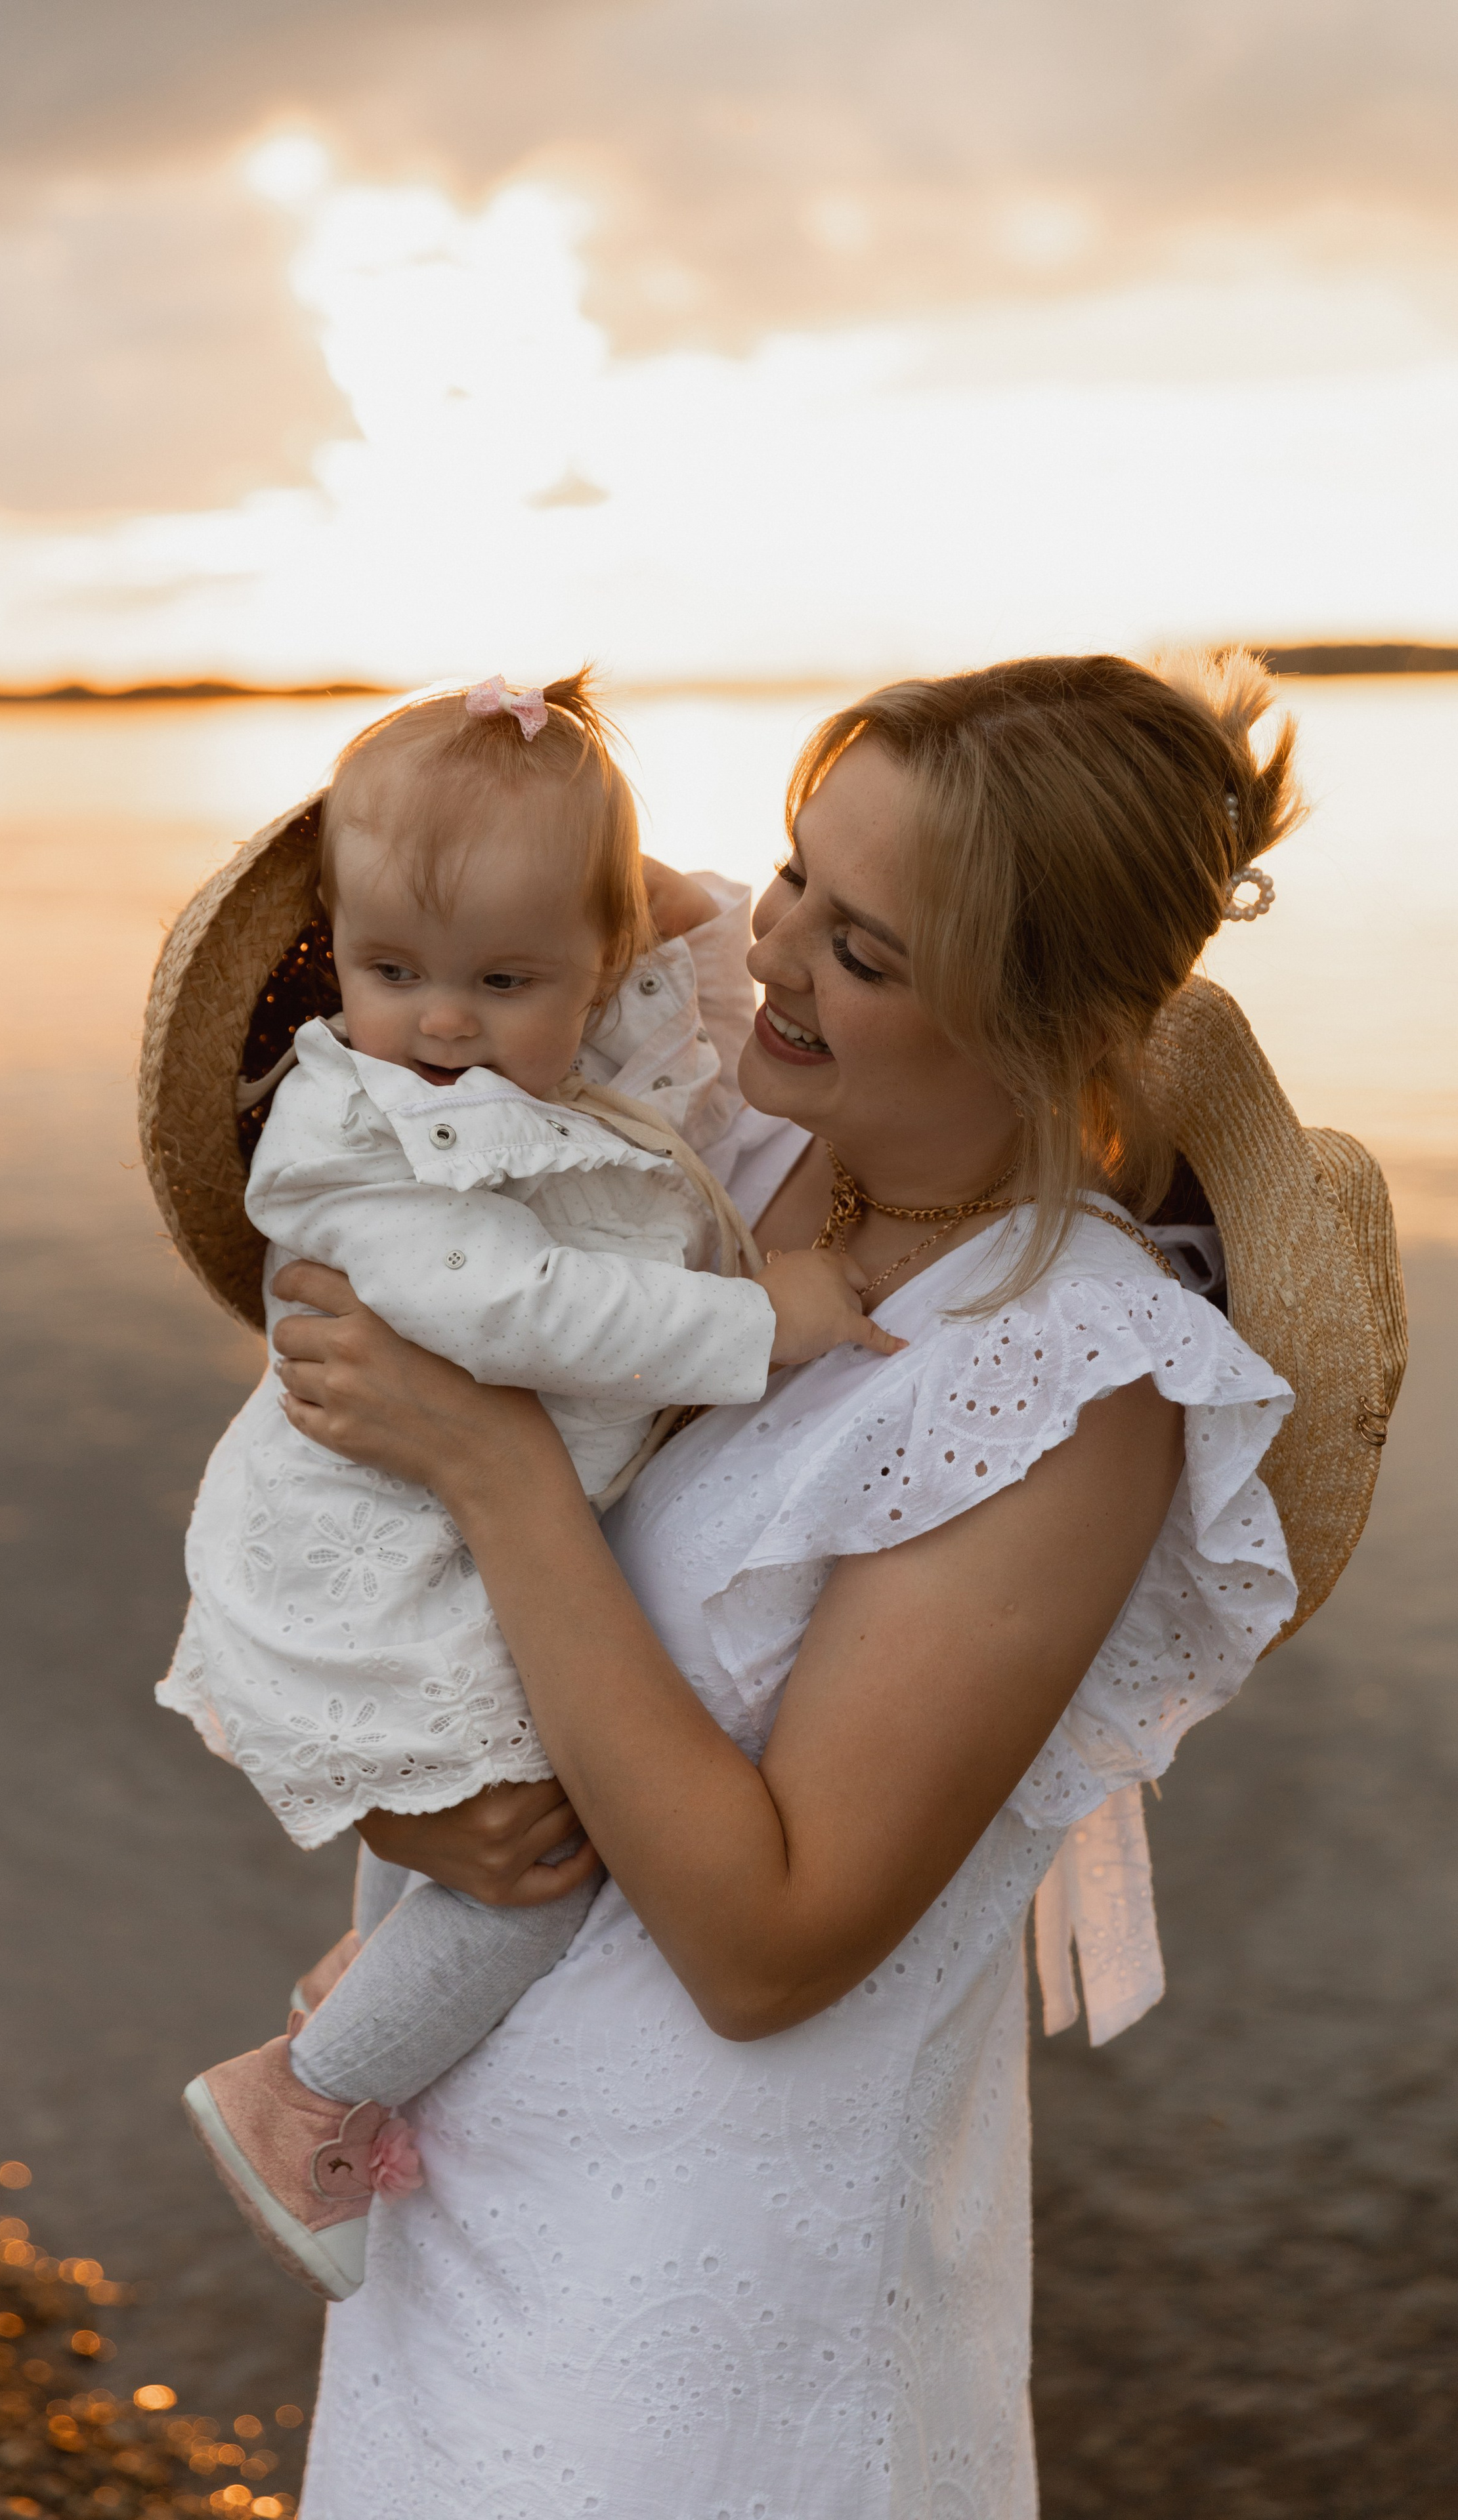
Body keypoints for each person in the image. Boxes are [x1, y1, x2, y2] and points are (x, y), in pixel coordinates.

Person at [225, 648, 1405, 2520]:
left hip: (701, 2305)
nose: (772, 952)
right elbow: (505, 905)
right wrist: (415, 1814)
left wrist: (491, 1461)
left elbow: (770, 1948)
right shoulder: (732, 1134)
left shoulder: (1071, 1383)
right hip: (449, 2164)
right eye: (794, 871)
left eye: (865, 949)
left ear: (1041, 1021)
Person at [153, 671, 889, 2300]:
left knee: (474, 1792)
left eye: (503, 978)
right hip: (374, 1546)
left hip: (442, 1547)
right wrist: (768, 1320)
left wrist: (664, 898)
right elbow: (520, 1307)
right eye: (388, 970)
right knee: (544, 1868)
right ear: (330, 954)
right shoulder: (361, 1140)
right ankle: (308, 2101)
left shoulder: (564, 1073)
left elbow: (680, 999)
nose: (439, 1021)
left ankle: (365, 1972)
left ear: (589, 967)